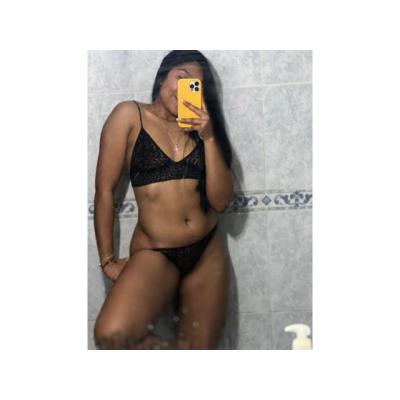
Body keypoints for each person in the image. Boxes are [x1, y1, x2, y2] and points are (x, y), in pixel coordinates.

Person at [93, 50, 234, 349]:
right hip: (155, 253)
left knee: (201, 351)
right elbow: (104, 191)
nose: (185, 90)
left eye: (194, 85)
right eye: (181, 78)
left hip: (206, 250)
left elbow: (221, 202)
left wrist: (208, 136)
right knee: (111, 334)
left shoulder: (203, 128)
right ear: (162, 78)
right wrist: (107, 260)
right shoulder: (129, 115)